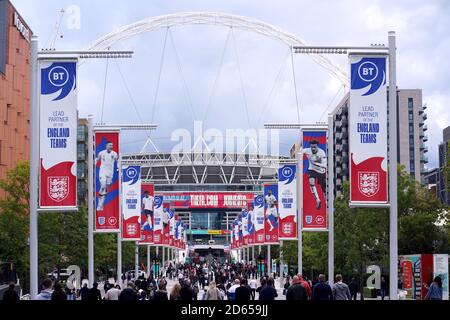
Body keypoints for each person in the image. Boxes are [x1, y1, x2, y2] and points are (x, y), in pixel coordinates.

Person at [303, 139, 327, 210]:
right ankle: (317, 200)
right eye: (311, 147)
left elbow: (324, 164)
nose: (313, 149)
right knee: (311, 183)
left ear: (317, 146)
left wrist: (315, 163)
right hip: (312, 169)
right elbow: (300, 151)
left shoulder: (322, 152)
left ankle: (326, 200)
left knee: (324, 188)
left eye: (314, 147)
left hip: (321, 171)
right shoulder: (308, 151)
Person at [96, 141, 119, 211]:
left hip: (110, 174)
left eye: (112, 145)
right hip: (102, 171)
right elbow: (97, 159)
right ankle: (100, 197)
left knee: (105, 189)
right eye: (110, 145)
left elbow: (118, 161)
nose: (111, 147)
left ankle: (100, 204)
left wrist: (118, 169)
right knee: (103, 184)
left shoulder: (115, 154)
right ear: (106, 146)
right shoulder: (101, 153)